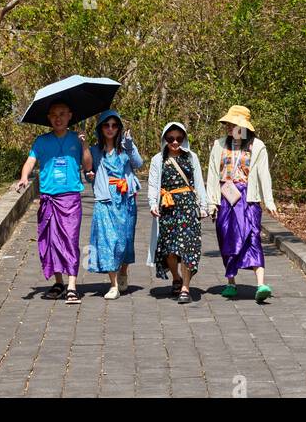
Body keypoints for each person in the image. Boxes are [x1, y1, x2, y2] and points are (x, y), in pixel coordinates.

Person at [17, 101, 92, 304]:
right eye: (53, 115)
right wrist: (24, 177)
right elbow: (31, 161)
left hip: (70, 199)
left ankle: (72, 286)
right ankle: (59, 282)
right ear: (48, 118)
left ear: (70, 116)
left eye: (62, 114)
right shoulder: (41, 141)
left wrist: (85, 145)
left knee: (70, 240)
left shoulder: (77, 139)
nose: (58, 118)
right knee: (52, 241)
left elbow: (88, 165)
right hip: (48, 198)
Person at [206, 105, 279, 302]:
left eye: (234, 125)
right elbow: (212, 174)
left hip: (248, 198)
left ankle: (261, 283)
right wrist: (211, 202)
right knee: (226, 237)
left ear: (244, 127)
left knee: (252, 236)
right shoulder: (219, 145)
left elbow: (264, 175)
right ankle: (231, 282)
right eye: (228, 125)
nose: (230, 128)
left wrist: (269, 201)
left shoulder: (257, 146)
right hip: (225, 197)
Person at [146, 121, 209, 304]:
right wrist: (152, 203)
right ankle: (176, 277)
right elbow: (152, 184)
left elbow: (198, 182)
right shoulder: (158, 159)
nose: (175, 142)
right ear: (165, 139)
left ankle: (185, 287)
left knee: (187, 248)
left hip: (188, 207)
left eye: (179, 138)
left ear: (184, 139)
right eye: (171, 138)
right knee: (170, 250)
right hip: (168, 207)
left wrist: (204, 206)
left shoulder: (191, 157)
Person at [86, 109, 143, 300]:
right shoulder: (94, 151)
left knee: (125, 240)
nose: (110, 129)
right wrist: (89, 174)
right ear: (100, 128)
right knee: (108, 242)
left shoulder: (125, 148)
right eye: (106, 125)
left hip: (125, 200)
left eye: (114, 125)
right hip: (105, 200)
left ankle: (124, 271)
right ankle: (113, 285)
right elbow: (87, 171)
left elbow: (138, 163)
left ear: (119, 128)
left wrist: (130, 144)